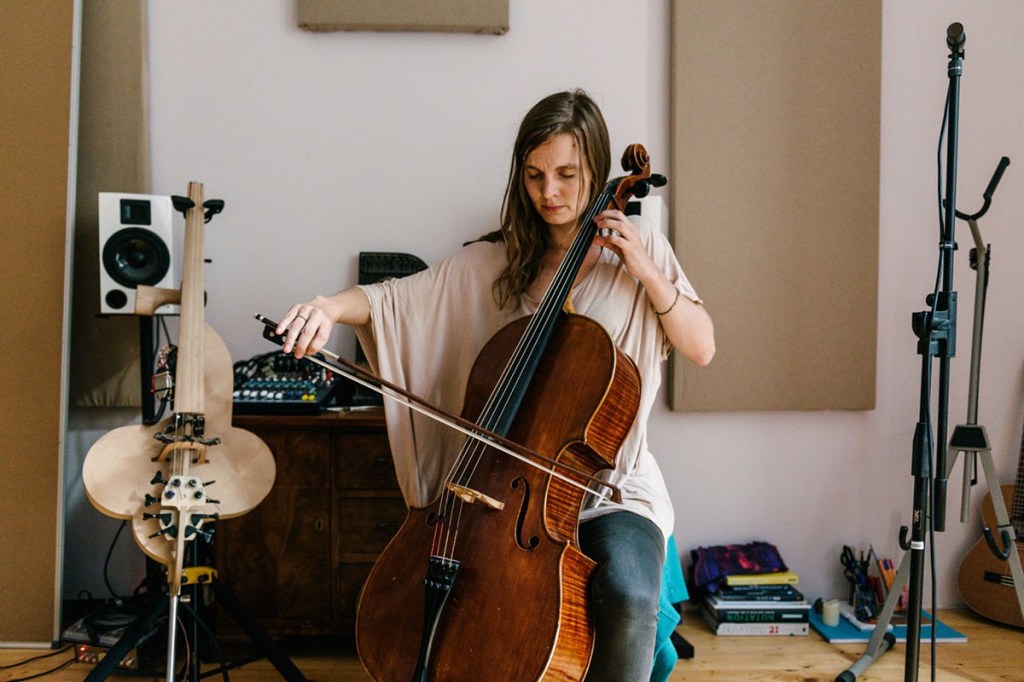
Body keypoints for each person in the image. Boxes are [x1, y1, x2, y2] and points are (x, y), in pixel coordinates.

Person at [277, 89, 714, 681]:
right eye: (534, 175)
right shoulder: (496, 261)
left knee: (630, 597)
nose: (549, 192)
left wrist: (646, 272)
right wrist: (327, 307)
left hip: (610, 491)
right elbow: (394, 302)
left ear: (596, 169)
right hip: (511, 497)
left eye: (566, 174)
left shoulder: (640, 252)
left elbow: (701, 346)